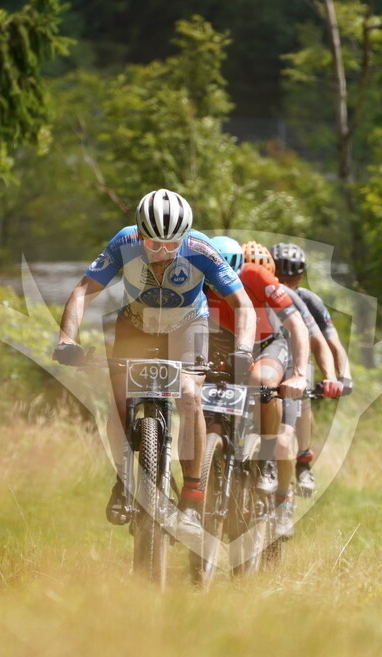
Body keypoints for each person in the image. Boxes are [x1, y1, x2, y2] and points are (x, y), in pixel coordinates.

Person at [54, 189, 255, 545]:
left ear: (185, 237)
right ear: (139, 233)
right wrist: (67, 339)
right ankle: (123, 480)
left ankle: (192, 498)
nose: (162, 252)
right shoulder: (124, 242)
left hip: (187, 324)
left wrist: (243, 349)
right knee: (119, 400)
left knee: (190, 396)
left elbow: (242, 303)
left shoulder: (201, 248)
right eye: (152, 244)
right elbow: (84, 290)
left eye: (172, 244)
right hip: (136, 324)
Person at [204, 237, 309, 540]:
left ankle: (267, 460)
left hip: (266, 344)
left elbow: (297, 326)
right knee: (202, 409)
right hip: (223, 345)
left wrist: (299, 374)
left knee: (263, 384)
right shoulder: (197, 277)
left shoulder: (257, 276)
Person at [271, 242, 352, 497]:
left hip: (297, 359)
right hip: (266, 358)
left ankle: (303, 460)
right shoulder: (258, 291)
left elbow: (331, 343)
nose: (283, 284)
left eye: (290, 279)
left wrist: (339, 377)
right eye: (278, 276)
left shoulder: (308, 300)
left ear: (301, 277)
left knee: (302, 394)